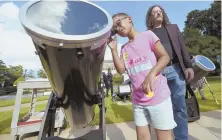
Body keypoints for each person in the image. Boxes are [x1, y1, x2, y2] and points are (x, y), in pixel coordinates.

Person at [108, 12, 177, 140]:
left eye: (118, 23)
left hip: (158, 97)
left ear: (129, 19)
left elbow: (165, 56)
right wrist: (113, 50)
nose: (117, 28)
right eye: (115, 28)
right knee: (142, 137)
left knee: (163, 137)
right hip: (138, 101)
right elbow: (121, 70)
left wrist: (152, 74)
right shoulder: (124, 48)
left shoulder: (148, 35)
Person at [145, 5, 195, 140]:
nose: (158, 13)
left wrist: (188, 66)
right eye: (154, 12)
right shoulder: (147, 34)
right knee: (160, 109)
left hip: (176, 70)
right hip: (158, 74)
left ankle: (181, 138)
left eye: (159, 11)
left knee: (179, 108)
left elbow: (182, 47)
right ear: (150, 16)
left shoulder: (173, 28)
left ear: (163, 14)